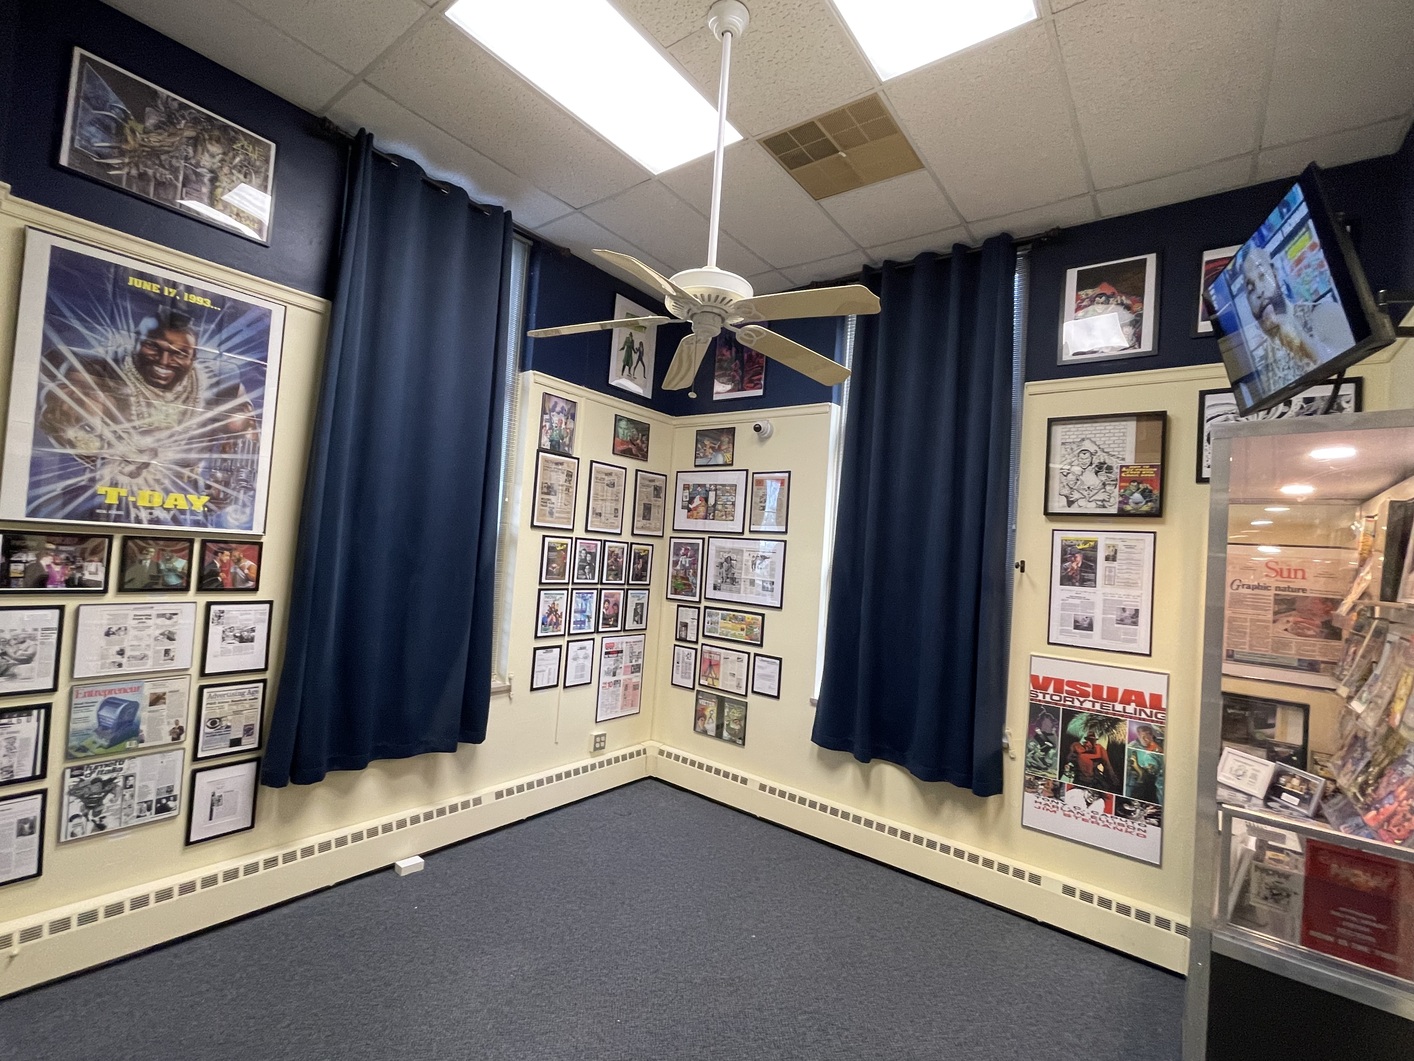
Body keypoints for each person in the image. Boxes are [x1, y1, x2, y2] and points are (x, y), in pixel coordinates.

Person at [36, 309, 257, 526]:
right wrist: (106, 444)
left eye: (179, 354)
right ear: (136, 343)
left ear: (193, 358)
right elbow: (65, 407)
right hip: (103, 497)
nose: (164, 361)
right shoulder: (99, 367)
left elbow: (247, 431)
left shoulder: (221, 381)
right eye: (152, 347)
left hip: (184, 502)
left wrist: (229, 483)